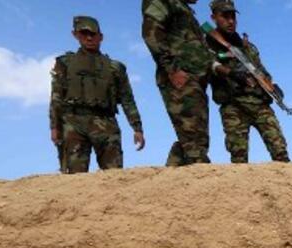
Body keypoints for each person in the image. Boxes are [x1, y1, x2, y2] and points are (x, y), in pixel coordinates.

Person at [49, 16, 145, 173]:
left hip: (106, 123)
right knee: (74, 178)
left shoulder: (115, 68)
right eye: (84, 33)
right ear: (75, 35)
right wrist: (55, 127)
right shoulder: (64, 63)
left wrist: (137, 128)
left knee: (114, 175)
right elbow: (56, 97)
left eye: (93, 34)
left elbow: (128, 99)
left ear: (101, 37)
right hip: (73, 123)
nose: (89, 38)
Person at [142, 0, 224, 166]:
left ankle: (171, 179)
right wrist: (171, 69)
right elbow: (151, 32)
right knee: (194, 137)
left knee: (194, 136)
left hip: (194, 80)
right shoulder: (164, 2)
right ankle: (200, 176)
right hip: (180, 77)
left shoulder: (184, 9)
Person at [206, 0, 289, 163]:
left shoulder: (247, 47)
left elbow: (261, 70)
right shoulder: (208, 43)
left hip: (259, 104)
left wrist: (273, 86)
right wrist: (231, 73)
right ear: (213, 17)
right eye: (225, 16)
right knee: (239, 158)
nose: (231, 21)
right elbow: (208, 63)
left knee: (281, 152)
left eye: (233, 17)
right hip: (234, 106)